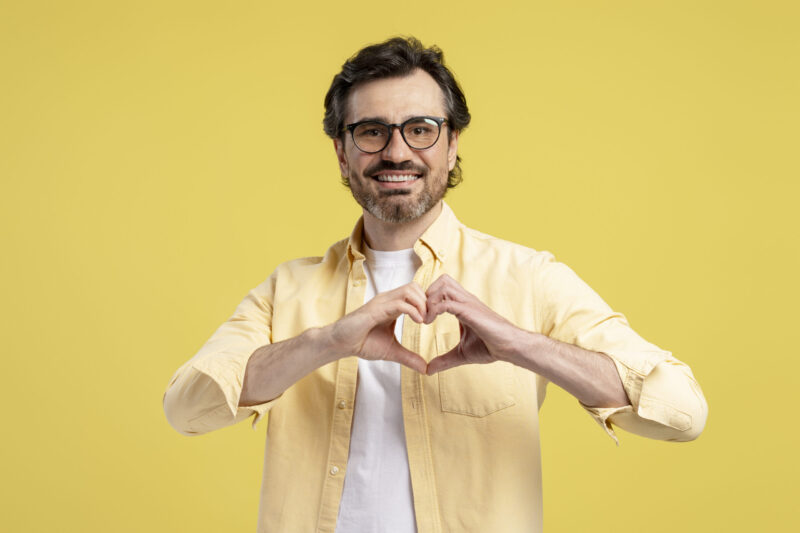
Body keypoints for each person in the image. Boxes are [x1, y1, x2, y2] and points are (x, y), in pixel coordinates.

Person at [163, 36, 708, 533]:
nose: (397, 152)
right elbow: (186, 411)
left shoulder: (528, 278)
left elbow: (682, 413)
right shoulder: (288, 289)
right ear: (342, 151)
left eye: (420, 129)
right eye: (371, 131)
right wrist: (327, 341)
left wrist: (519, 344)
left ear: (451, 145)